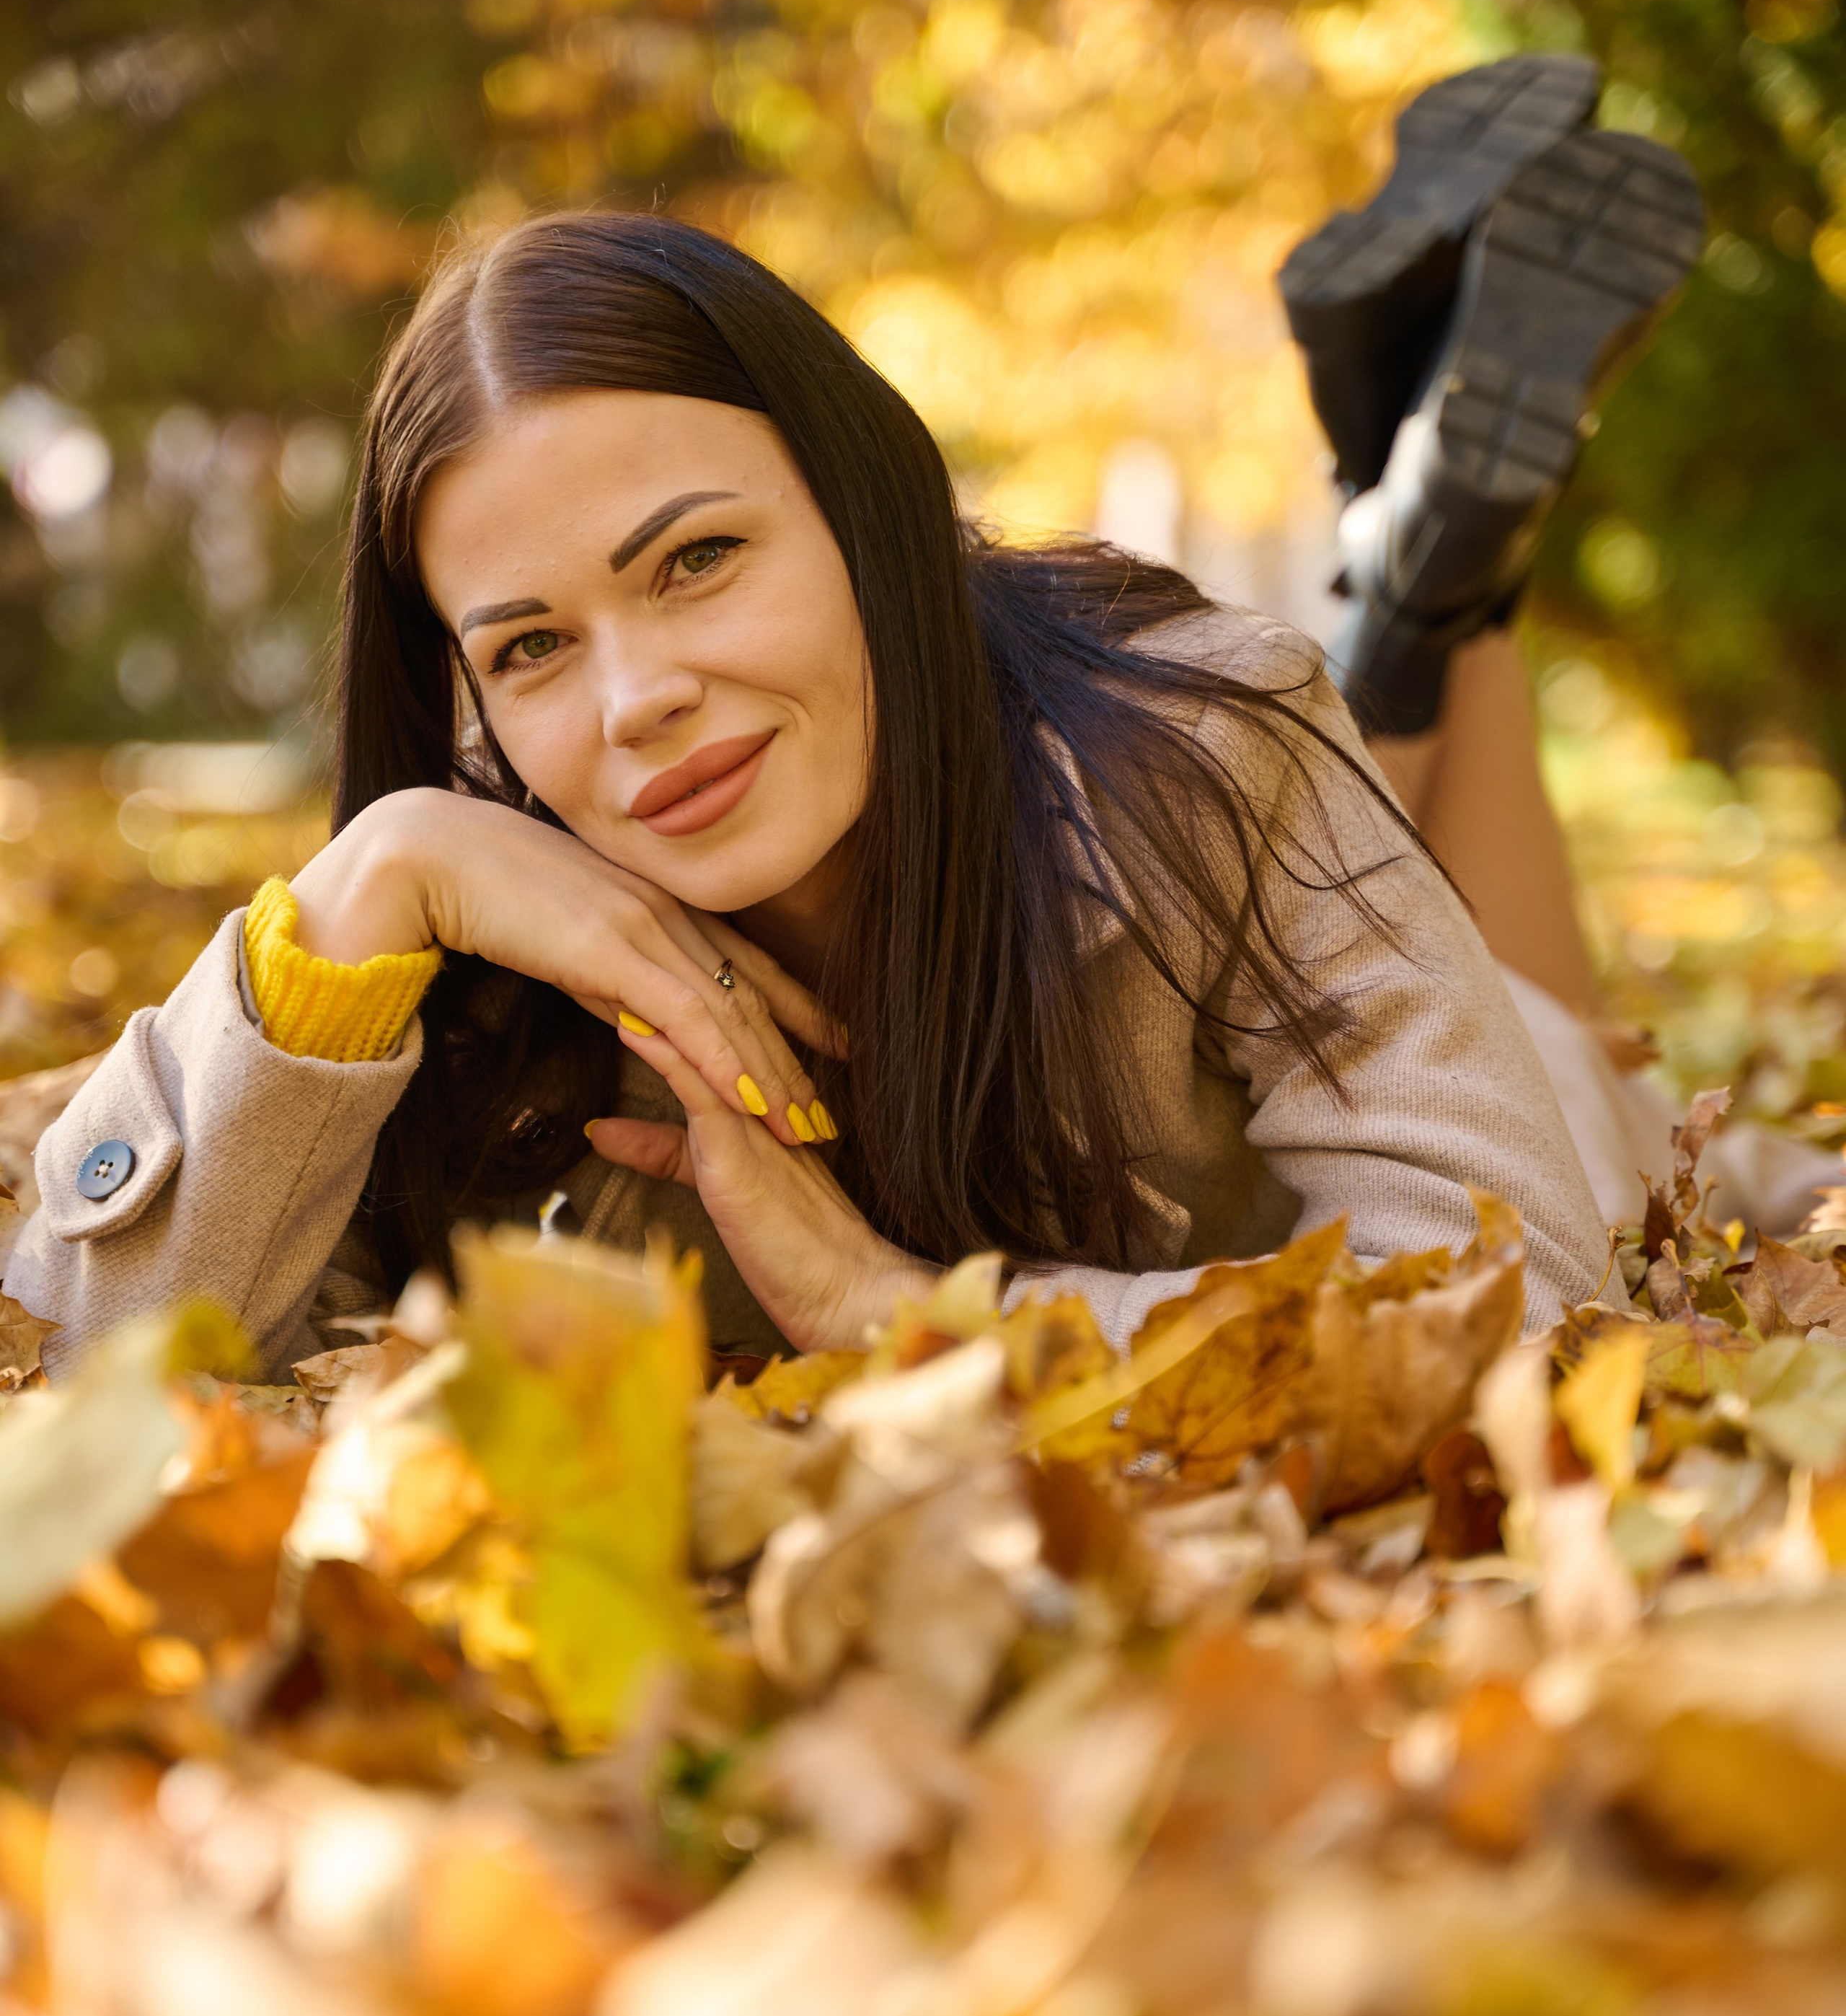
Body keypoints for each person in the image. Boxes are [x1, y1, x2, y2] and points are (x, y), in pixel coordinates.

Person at [3, 212, 1612, 1383]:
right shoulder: (456, 951)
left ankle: (1416, 581)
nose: (637, 701)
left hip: (1475, 1058)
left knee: (1535, 1008)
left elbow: (1514, 1308)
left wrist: (896, 1311)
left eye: (696, 559)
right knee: (1359, 770)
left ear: (860, 507)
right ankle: (1417, 566)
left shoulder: (1200, 740)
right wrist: (376, 873)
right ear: (470, 698)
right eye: (533, 645)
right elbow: (81, 1368)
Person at [1280, 53, 1836, 1236]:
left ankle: (1396, 498)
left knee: (1533, 1063)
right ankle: (1385, 472)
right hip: (1459, 1092)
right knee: (1536, 1051)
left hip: (1416, 1112)